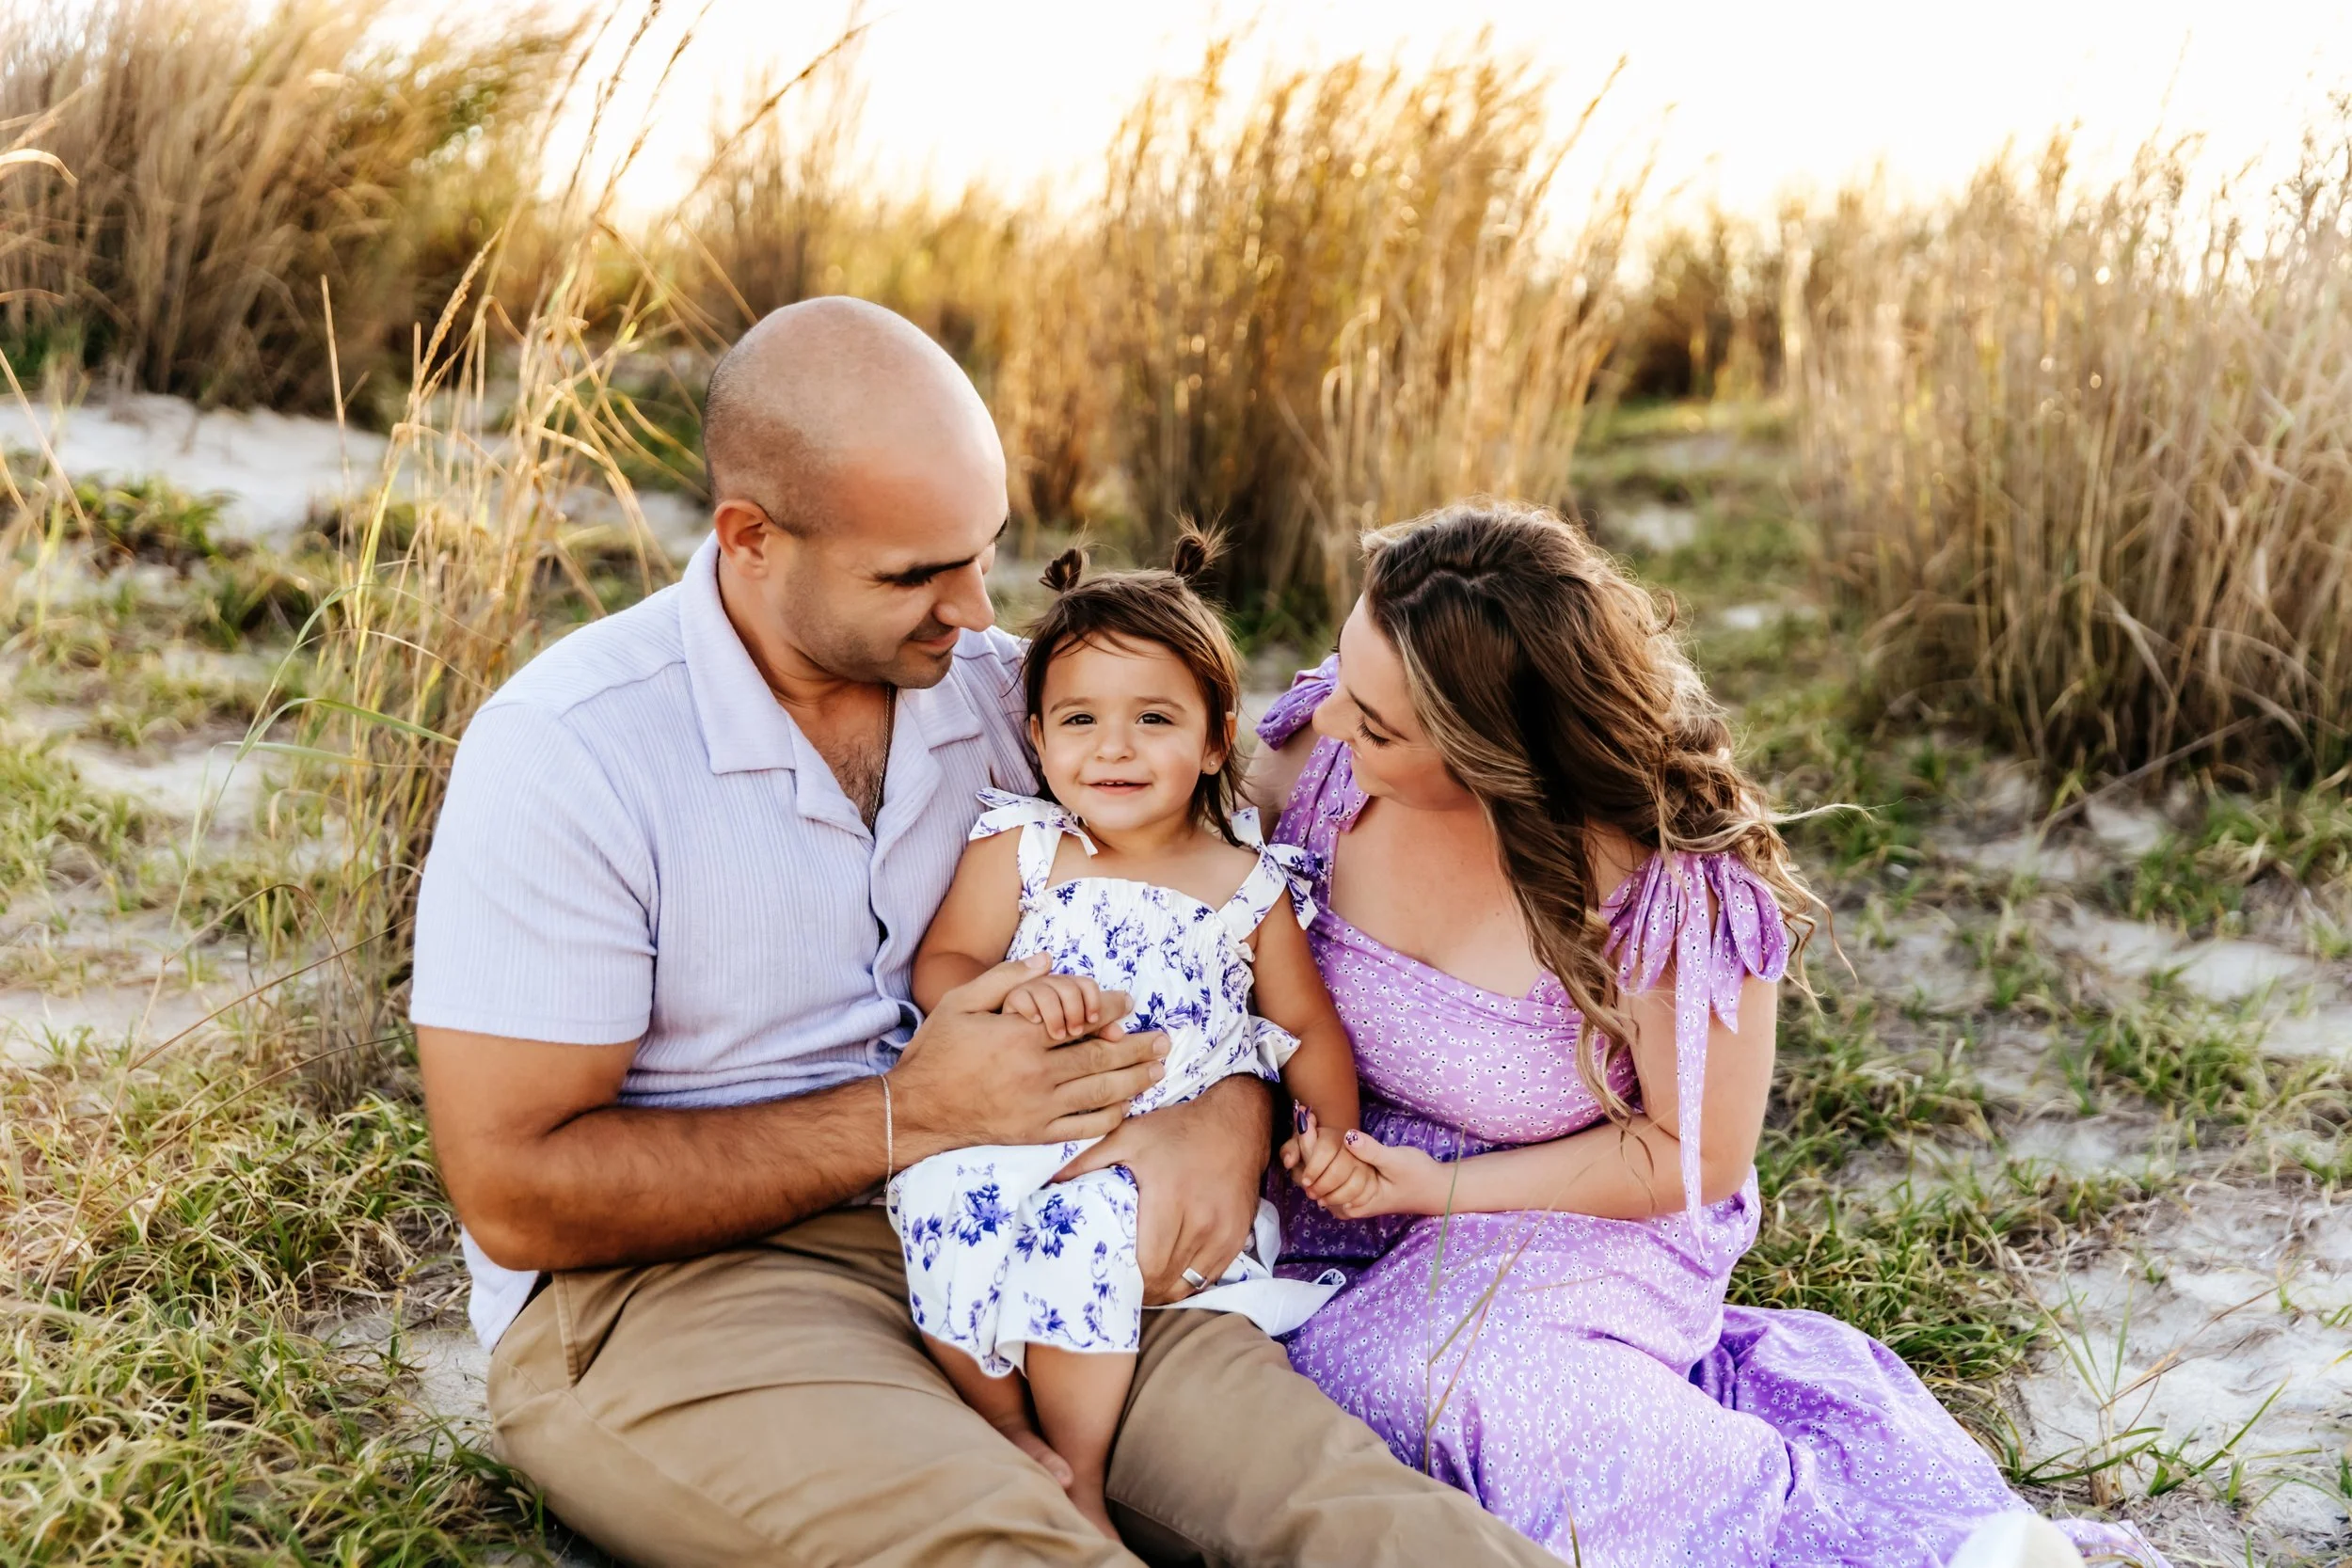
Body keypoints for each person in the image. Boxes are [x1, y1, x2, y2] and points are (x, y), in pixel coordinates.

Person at [407, 297, 1559, 1567]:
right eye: (913, 574)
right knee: (1007, 1547)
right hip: (693, 1284)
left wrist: (1230, 1109)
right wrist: (911, 1117)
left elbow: (1235, 905)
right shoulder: (571, 752)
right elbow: (515, 1191)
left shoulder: (1017, 703)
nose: (971, 608)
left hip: (1068, 1217)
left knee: (1374, 1525)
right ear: (751, 538)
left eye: (984, 551)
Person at [1253, 500, 2171, 1568]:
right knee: (1273, 1376)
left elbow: (1691, 1154)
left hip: (1579, 1205)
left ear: (1497, 752)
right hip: (1335, 1187)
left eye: (1377, 724)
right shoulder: (1322, 760)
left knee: (1435, 1376)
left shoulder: (1664, 879)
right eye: (1345, 675)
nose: (1327, 718)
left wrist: (1441, 1189)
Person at [895, 537, 1360, 1536]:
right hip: (1023, 1121)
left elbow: (1304, 1024)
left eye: (1153, 718)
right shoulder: (1023, 846)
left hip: (1163, 1151)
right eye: (1080, 720)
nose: (1113, 748)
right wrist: (1014, 993)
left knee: (1084, 1232)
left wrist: (1332, 1134)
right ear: (1037, 736)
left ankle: (1081, 1472)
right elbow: (944, 963)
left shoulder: (1247, 883)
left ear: (1214, 739)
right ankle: (1002, 1420)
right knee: (939, 1194)